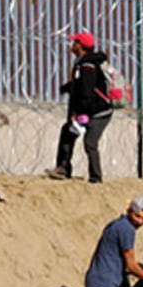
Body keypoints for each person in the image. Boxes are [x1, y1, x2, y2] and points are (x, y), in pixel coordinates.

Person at [48, 32, 115, 183]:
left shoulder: (87, 66)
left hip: (99, 112)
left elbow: (86, 91)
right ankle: (63, 169)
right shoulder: (83, 63)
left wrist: (79, 113)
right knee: (68, 132)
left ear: (81, 46)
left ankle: (96, 177)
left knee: (90, 142)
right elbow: (81, 86)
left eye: (75, 42)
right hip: (91, 109)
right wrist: (66, 88)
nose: (72, 45)